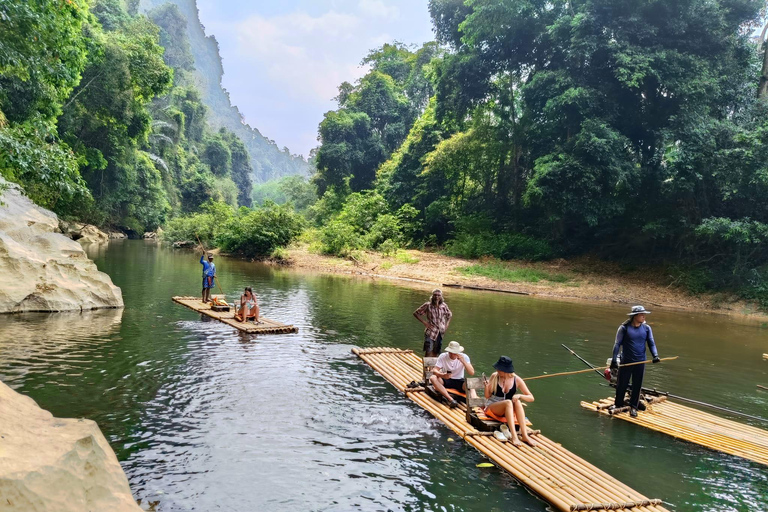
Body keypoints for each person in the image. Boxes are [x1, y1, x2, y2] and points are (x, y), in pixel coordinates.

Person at [611, 305, 661, 417]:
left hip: (640, 362)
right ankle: (618, 404)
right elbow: (617, 344)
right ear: (635, 316)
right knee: (621, 384)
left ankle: (633, 407)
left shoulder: (647, 328)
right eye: (641, 314)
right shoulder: (624, 328)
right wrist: (614, 360)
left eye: (644, 314)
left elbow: (651, 343)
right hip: (626, 361)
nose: (644, 316)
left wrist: (655, 355)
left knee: (637, 385)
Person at [483, 356, 537, 447]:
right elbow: (487, 396)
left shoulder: (517, 380)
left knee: (518, 402)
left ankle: (524, 435)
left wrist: (520, 395)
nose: (498, 371)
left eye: (500, 369)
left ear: (506, 370)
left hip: (508, 410)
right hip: (493, 406)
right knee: (508, 402)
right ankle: (514, 436)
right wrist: (487, 386)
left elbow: (531, 397)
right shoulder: (494, 376)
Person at [428, 341, 474, 408]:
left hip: (459, 380)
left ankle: (475, 402)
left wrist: (463, 361)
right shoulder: (443, 356)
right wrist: (442, 375)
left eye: (454, 353)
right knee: (433, 378)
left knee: (471, 384)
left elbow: (471, 373)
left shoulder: (464, 357)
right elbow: (434, 370)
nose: (452, 355)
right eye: (451, 353)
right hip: (446, 379)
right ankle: (450, 399)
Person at [413, 289, 452, 357]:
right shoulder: (428, 305)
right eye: (435, 295)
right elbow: (416, 313)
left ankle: (433, 367)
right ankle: (426, 367)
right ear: (432, 296)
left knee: (436, 350)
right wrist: (425, 323)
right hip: (431, 331)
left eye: (438, 295)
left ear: (441, 297)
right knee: (428, 349)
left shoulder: (443, 306)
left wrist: (447, 324)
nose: (436, 297)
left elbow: (449, 315)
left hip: (440, 331)